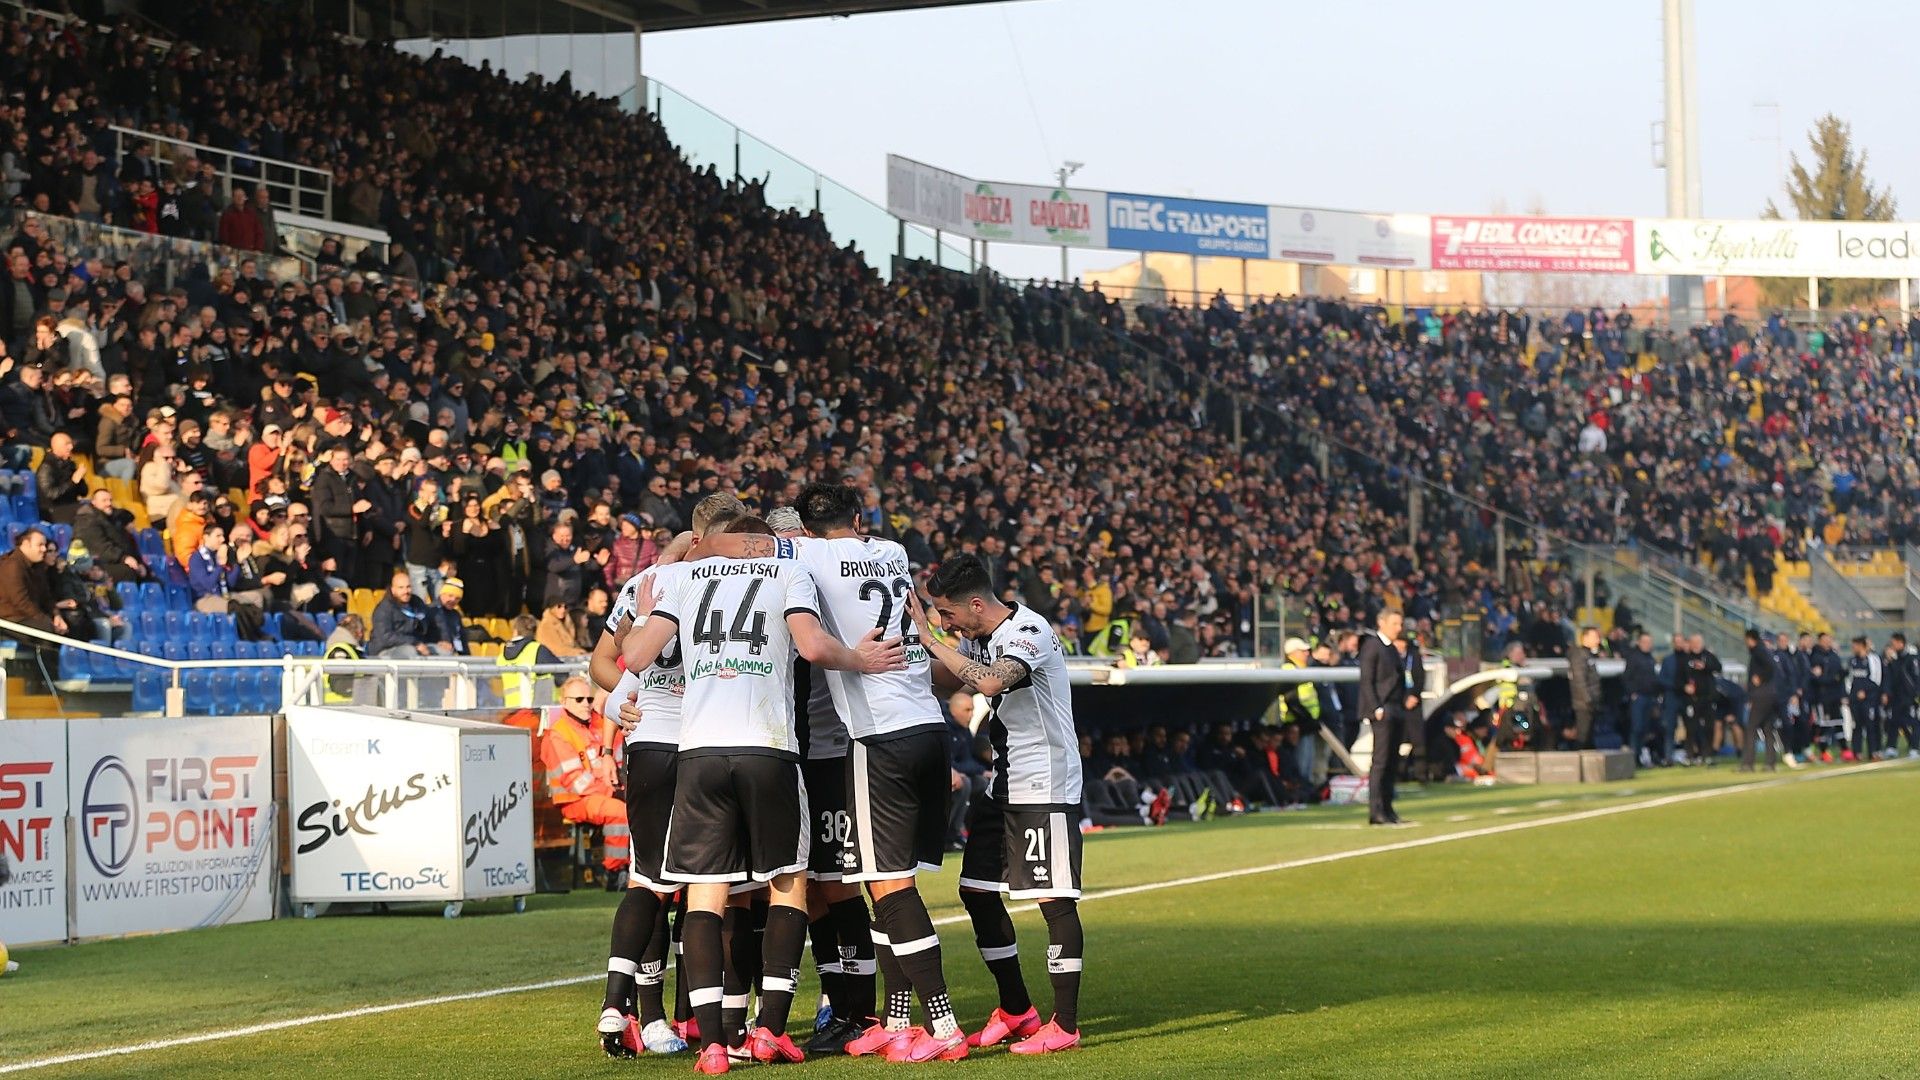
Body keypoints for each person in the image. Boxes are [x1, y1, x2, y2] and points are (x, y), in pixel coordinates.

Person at [618, 514, 906, 1074]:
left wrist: (646, 610)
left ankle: (713, 1046)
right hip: (768, 747)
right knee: (789, 883)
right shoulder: (787, 572)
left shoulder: (684, 577)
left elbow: (634, 657)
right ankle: (770, 1029)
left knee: (705, 896)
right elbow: (813, 647)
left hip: (699, 753)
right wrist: (860, 659)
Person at [699, 483, 954, 1061]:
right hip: (879, 734)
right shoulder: (889, 551)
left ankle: (876, 1013)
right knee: (832, 886)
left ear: (804, 534)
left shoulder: (802, 562)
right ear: (858, 519)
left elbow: (723, 548)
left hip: (847, 748)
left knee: (856, 885)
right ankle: (872, 1013)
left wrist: (704, 542)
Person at [912, 553, 1085, 1056]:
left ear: (974, 604)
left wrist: (930, 639)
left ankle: (1065, 1024)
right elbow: (952, 679)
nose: (946, 624)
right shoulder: (975, 636)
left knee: (1053, 900)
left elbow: (990, 681)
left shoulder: (1028, 631)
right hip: (1006, 781)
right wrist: (903, 654)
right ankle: (1016, 1009)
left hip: (1044, 781)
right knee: (977, 890)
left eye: (947, 614)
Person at [590, 497, 743, 1059]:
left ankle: (651, 1012)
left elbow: (613, 660)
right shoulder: (719, 583)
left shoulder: (650, 582)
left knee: (653, 880)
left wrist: (620, 702)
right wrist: (619, 703)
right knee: (701, 888)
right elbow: (601, 664)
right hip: (699, 743)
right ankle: (665, 1016)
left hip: (666, 744)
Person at [540, 674, 629, 877]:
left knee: (640, 808)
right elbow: (576, 782)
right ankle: (614, 871)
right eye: (579, 699)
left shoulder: (597, 726)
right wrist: (612, 791)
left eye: (589, 699)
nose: (586, 704)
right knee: (621, 813)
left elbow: (618, 756)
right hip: (575, 799)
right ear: (564, 702)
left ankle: (639, 871)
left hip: (604, 792)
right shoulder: (558, 734)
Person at [1358, 609, 1415, 825]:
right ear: (1381, 622)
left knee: (1392, 760)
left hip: (1396, 708)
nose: (1398, 629)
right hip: (1383, 709)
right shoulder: (1372, 646)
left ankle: (1388, 808)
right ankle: (1376, 811)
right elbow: (1367, 680)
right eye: (1394, 624)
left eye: (1400, 624)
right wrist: (1375, 707)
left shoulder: (1391, 648)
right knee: (1381, 761)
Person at [0, 528, 71, 640]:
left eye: (44, 545)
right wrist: (47, 621)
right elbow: (21, 602)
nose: (44, 549)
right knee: (47, 628)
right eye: (40, 545)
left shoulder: (37, 566)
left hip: (31, 615)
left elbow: (46, 597)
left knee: (72, 620)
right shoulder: (11, 566)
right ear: (26, 544)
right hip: (12, 619)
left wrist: (56, 615)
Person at [367, 569, 437, 659]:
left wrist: (441, 640)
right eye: (401, 587)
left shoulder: (417, 603)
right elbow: (385, 637)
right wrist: (415, 642)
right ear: (393, 590)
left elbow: (430, 624)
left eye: (408, 587)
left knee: (444, 652)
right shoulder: (384, 609)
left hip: (415, 645)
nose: (406, 591)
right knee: (410, 652)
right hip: (386, 650)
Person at [1741, 628, 1782, 772]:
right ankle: (1770, 763)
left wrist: (1760, 678)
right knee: (1768, 728)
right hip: (1770, 694)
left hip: (1761, 695)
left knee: (1751, 728)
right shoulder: (1764, 650)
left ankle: (1748, 763)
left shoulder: (1758, 651)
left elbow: (1771, 667)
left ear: (1749, 639)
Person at [1845, 635, 1883, 763]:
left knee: (1870, 726)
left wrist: (1865, 691)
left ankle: (1874, 752)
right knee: (1857, 726)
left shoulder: (1873, 659)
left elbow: (1876, 679)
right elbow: (1850, 679)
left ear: (1861, 646)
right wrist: (1849, 696)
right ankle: (1857, 753)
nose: (1853, 648)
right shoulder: (1852, 661)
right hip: (1855, 700)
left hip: (1869, 700)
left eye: (1854, 646)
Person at [35, 432, 85, 525]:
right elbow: (51, 495)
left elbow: (84, 492)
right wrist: (73, 482)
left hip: (71, 505)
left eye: (71, 444)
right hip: (53, 511)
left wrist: (80, 479)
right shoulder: (46, 467)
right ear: (56, 447)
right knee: (88, 511)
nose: (71, 447)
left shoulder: (69, 465)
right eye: (67, 444)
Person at [1567, 626, 1604, 750]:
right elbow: (1579, 681)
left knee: (1589, 736)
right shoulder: (1579, 655)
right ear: (1585, 638)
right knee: (1583, 736)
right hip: (1584, 704)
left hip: (1590, 702)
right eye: (1595, 637)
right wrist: (1588, 699)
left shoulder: (1588, 655)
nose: (1598, 640)